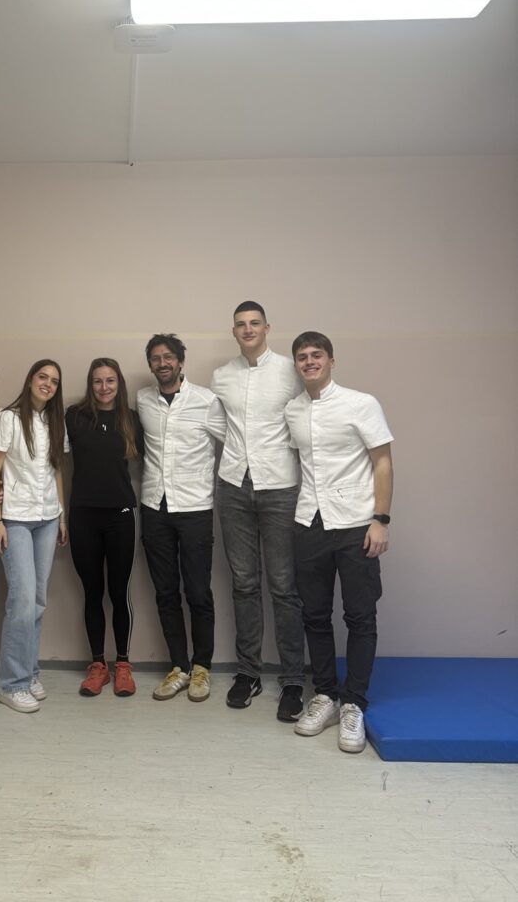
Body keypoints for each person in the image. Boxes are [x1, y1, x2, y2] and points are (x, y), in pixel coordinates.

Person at [285, 332, 394, 754]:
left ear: (332, 360)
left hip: (355, 524)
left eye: (317, 355)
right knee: (314, 614)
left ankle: (354, 703)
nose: (309, 361)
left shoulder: (360, 404)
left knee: (360, 616)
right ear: (296, 365)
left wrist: (380, 520)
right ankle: (326, 695)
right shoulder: (293, 410)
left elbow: (382, 462)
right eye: (302, 357)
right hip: (309, 522)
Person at [211, 301, 305, 721]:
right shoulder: (222, 376)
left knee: (284, 586)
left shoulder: (289, 370)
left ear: (267, 327)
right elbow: (219, 425)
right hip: (233, 485)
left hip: (280, 486)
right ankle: (248, 673)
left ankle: (293, 679)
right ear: (233, 331)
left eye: (254, 323)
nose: (247, 329)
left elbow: (304, 419)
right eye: (240, 324)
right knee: (244, 583)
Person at [137, 334, 225, 703]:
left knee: (198, 592)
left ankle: (202, 667)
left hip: (194, 509)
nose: (163, 363)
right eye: (156, 358)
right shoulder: (143, 400)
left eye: (169, 357)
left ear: (180, 362)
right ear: (151, 364)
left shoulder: (206, 400)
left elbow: (233, 444)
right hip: (154, 507)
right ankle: (179, 667)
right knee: (165, 592)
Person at [0, 360, 69, 713]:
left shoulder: (54, 421)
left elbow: (56, 471)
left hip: (47, 518)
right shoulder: (8, 418)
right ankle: (12, 684)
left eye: (54, 381)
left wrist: (61, 514)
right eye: (42, 377)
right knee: (20, 601)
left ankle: (30, 671)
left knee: (36, 601)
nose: (47, 384)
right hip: (16, 519)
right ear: (31, 379)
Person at [66, 358, 143, 697]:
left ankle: (123, 664)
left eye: (110, 380)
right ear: (90, 384)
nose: (104, 387)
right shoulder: (75, 417)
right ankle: (98, 665)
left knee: (119, 592)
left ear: (118, 383)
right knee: (92, 593)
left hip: (120, 516)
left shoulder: (131, 419)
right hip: (83, 516)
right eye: (97, 381)